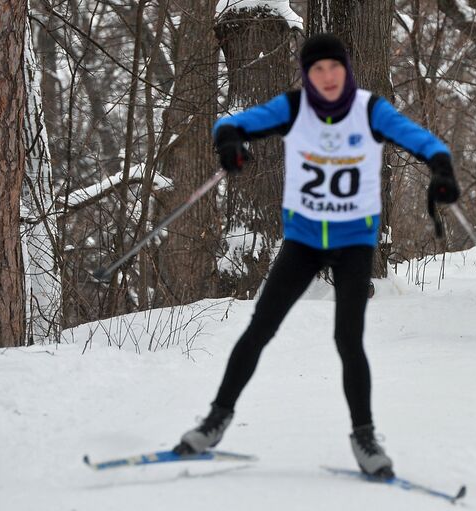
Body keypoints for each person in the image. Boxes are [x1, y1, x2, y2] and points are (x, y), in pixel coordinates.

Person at [173, 33, 460, 479]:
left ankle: (365, 439)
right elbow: (228, 125)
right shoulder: (293, 107)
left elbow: (423, 142)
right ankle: (214, 421)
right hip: (304, 240)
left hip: (354, 243)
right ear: (307, 75)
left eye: (334, 67)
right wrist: (229, 144)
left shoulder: (369, 110)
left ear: (346, 69)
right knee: (260, 328)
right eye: (316, 70)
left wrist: (441, 168)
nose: (326, 77)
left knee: (348, 340)